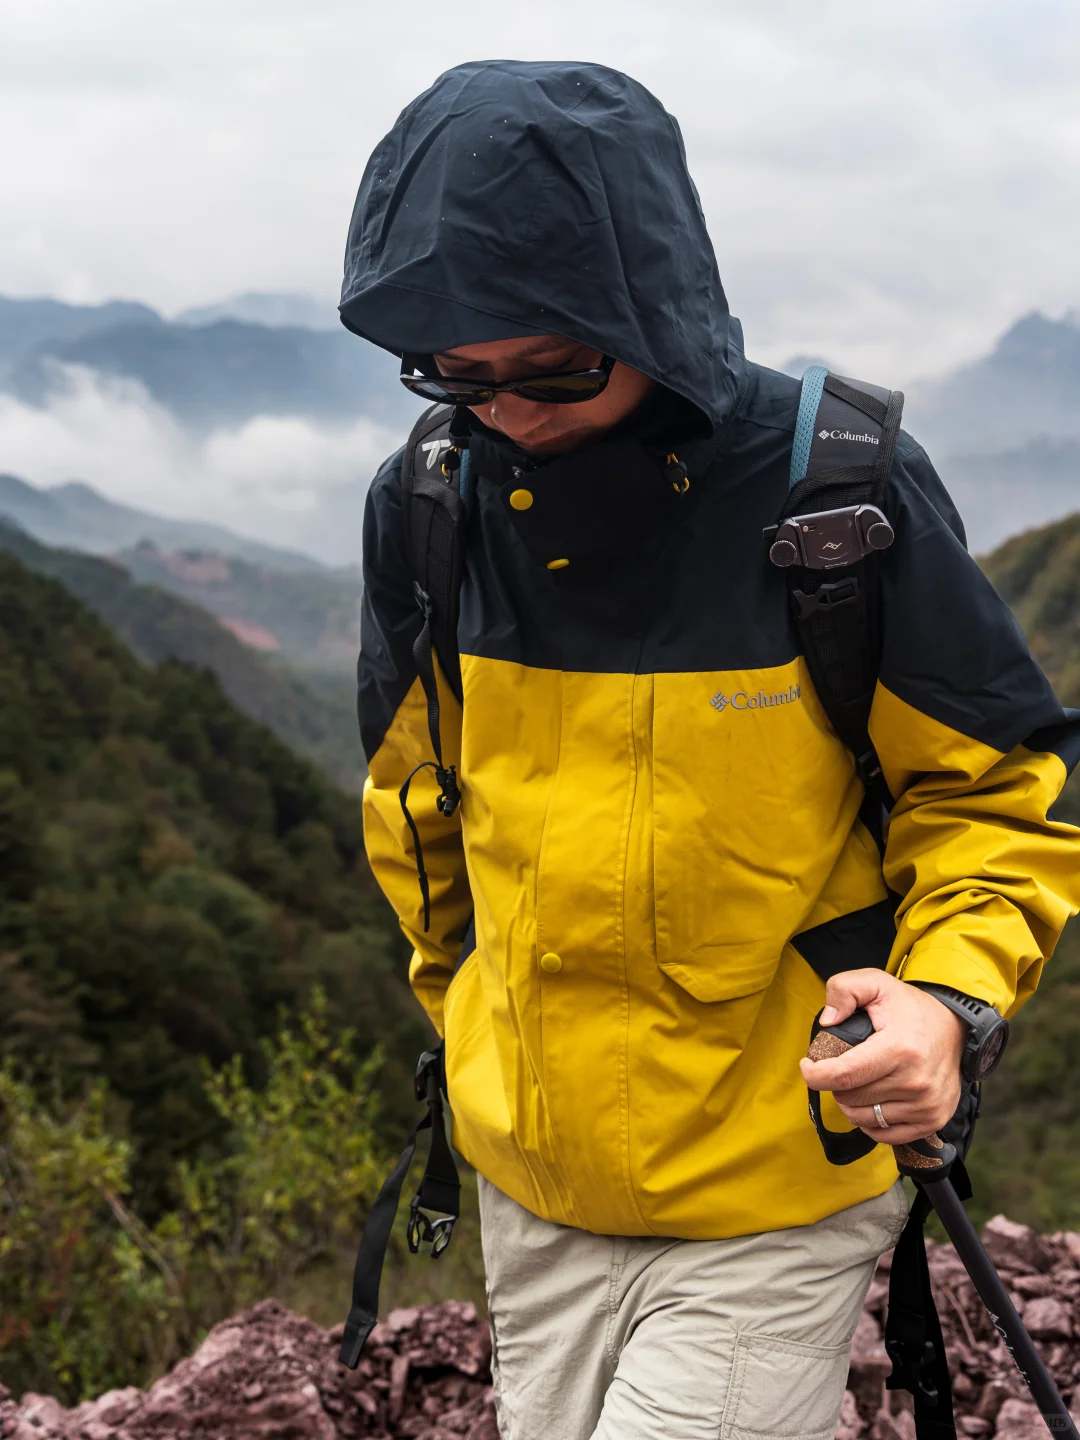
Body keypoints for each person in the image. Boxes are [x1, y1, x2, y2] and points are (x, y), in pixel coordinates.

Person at [340, 59, 1080, 1440]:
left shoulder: (834, 496)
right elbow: (415, 806)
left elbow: (991, 799)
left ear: (652, 310)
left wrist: (944, 1003)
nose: (507, 411)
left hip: (775, 1181)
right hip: (532, 1191)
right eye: (455, 373)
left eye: (556, 367)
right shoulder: (427, 503)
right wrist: (479, 1032)